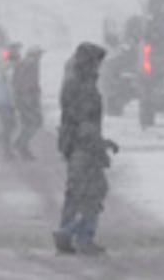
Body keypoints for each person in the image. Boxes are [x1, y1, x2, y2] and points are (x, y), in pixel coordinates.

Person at [53, 42, 119, 256]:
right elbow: (85, 121)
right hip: (84, 146)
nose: (99, 67)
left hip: (74, 144)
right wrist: (99, 145)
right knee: (94, 191)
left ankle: (70, 233)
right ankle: (76, 234)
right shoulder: (84, 86)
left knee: (76, 192)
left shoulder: (73, 82)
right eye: (97, 62)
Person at [0, 43, 21, 159]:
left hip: (0, 99)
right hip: (5, 101)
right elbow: (10, 86)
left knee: (9, 125)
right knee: (10, 125)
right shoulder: (10, 68)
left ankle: (5, 150)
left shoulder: (3, 66)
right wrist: (14, 102)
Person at [12, 46, 44, 160]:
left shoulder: (22, 64)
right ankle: (21, 144)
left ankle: (22, 146)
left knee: (28, 123)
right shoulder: (31, 64)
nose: (40, 57)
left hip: (21, 98)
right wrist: (31, 99)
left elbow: (16, 81)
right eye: (39, 54)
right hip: (27, 99)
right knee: (35, 122)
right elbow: (29, 83)